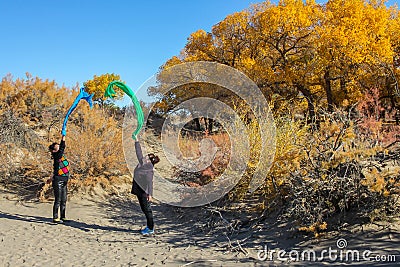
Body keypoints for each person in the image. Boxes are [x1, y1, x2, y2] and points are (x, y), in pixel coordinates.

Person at [131, 136, 160, 235]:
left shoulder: (149, 171)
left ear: (149, 162)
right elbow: (138, 152)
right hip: (139, 190)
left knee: (147, 210)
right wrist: (136, 140)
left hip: (144, 192)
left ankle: (150, 228)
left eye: (147, 157)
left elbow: (150, 183)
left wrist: (149, 194)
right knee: (144, 209)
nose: (145, 157)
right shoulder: (142, 163)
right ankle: (149, 227)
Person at [48, 134, 70, 223]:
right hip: (58, 181)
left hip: (64, 180)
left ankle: (63, 216)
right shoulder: (57, 156)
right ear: (54, 151)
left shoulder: (60, 157)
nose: (59, 147)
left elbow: (55, 170)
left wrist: (50, 178)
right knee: (58, 199)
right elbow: (62, 148)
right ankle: (55, 217)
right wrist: (63, 138)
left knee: (64, 199)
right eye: (57, 147)